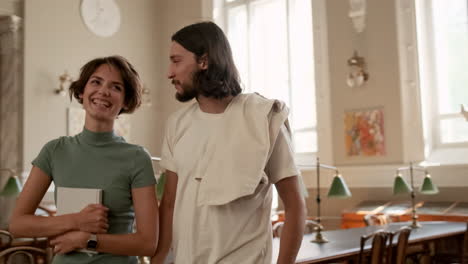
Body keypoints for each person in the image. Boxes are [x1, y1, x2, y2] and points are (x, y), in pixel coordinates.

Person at [152, 21, 306, 264]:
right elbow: (169, 203)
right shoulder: (177, 124)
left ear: (204, 61)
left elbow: (295, 206)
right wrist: (157, 260)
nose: (169, 72)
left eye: (176, 60)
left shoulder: (264, 117)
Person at [9, 56, 159, 264]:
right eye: (96, 82)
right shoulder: (54, 151)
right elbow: (17, 224)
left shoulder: (137, 158)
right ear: (81, 91)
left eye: (116, 87)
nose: (103, 91)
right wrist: (77, 220)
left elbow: (147, 243)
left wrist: (88, 240)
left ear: (125, 101)